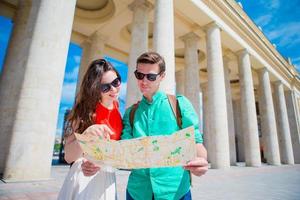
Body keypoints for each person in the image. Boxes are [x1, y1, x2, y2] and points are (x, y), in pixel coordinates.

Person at [121, 52, 208, 200]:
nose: (144, 81)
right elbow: (124, 151)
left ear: (162, 76)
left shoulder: (180, 104)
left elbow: (196, 142)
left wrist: (201, 161)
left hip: (176, 191)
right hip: (138, 192)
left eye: (151, 76)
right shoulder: (130, 113)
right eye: (139, 75)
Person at [57, 58, 122, 200]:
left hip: (108, 178)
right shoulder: (83, 111)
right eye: (105, 87)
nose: (113, 89)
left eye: (116, 82)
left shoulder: (117, 108)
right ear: (95, 88)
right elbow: (69, 157)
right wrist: (86, 135)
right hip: (85, 179)